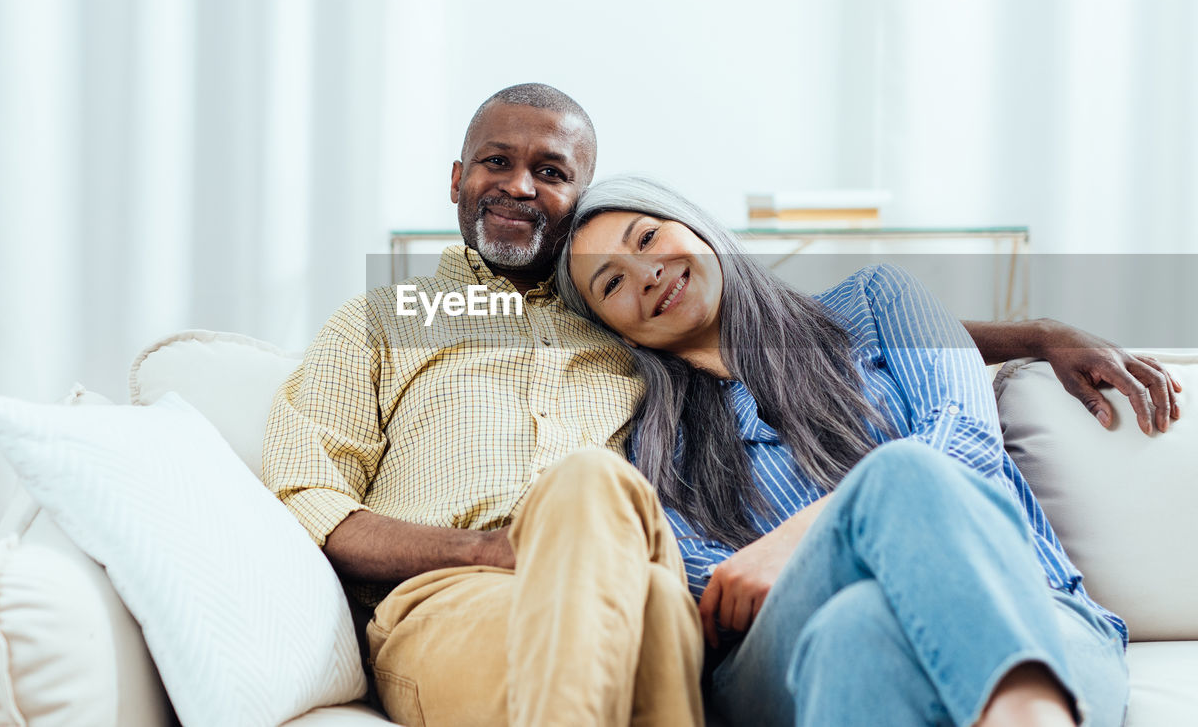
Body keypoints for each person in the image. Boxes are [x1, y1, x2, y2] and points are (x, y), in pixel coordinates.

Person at [263, 83, 1178, 726]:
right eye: (494, 163)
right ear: (455, 178)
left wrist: (1038, 332)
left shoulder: (649, 355)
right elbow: (304, 492)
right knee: (818, 592)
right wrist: (487, 548)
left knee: (875, 566)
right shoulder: (402, 319)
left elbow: (921, 404)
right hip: (507, 597)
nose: (518, 184)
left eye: (550, 171)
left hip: (976, 601)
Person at [556, 176, 1169, 726]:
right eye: (612, 283)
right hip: (783, 658)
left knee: (861, 622)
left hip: (1032, 607)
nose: (645, 273)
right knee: (890, 499)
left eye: (647, 239)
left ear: (694, 224)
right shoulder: (650, 442)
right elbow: (711, 589)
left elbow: (967, 446)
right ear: (611, 327)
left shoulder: (878, 301)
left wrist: (806, 531)